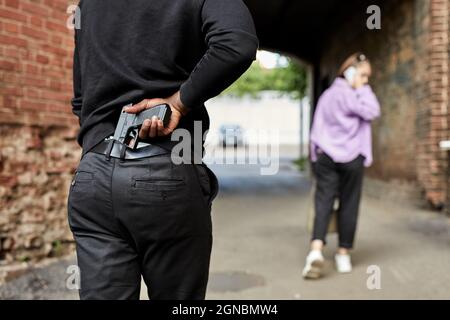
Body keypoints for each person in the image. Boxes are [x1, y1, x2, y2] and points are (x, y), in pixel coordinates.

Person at [68, 0, 258, 299]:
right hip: (166, 168)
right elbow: (237, 44)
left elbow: (80, 99)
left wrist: (100, 147)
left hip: (93, 176)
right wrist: (178, 103)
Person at [302, 53, 381, 279]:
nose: (366, 80)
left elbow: (317, 126)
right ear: (351, 72)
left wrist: (315, 153)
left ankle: (316, 250)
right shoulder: (357, 97)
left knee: (323, 200)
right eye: (364, 75)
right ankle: (342, 253)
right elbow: (373, 111)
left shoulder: (328, 96)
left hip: (326, 155)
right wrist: (361, 88)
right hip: (352, 156)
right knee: (349, 203)